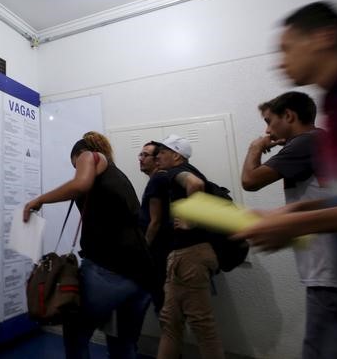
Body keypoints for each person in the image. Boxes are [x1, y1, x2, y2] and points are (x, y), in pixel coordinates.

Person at [235, 1, 337, 356]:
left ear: (324, 37)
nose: (279, 61)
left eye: (286, 48)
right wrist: (293, 214)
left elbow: (250, 181)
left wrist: (301, 222)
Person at [23, 131, 153, 359]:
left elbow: (80, 184)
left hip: (109, 268)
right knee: (123, 343)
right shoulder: (116, 176)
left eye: (75, 165)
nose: (78, 169)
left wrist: (40, 200)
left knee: (75, 333)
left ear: (77, 156)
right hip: (142, 274)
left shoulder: (90, 156)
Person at [240, 91, 337, 358]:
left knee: (320, 350)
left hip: (327, 267)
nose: (267, 131)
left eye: (269, 121)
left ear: (288, 116)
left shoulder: (304, 143)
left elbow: (250, 181)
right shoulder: (320, 139)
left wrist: (255, 147)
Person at [153, 134, 224, 359]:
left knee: (202, 326)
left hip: (189, 256)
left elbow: (196, 185)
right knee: (170, 322)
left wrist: (190, 219)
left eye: (162, 152)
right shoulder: (186, 171)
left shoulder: (177, 172)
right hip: (187, 257)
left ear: (176, 155)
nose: (158, 156)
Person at [137, 141, 173, 314]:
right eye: (140, 155)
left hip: (158, 252)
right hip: (160, 251)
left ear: (157, 160)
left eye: (145, 155)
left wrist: (144, 249)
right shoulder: (159, 179)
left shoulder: (158, 179)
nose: (141, 158)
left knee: (161, 301)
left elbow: (155, 221)